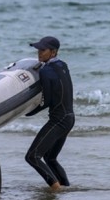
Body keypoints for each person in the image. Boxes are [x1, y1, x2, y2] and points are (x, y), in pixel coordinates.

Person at [25, 36, 75, 191]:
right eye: (38, 50)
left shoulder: (46, 70)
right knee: (50, 158)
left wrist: (30, 112)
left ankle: (56, 189)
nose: (39, 53)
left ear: (53, 52)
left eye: (43, 50)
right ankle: (66, 189)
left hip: (58, 120)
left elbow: (46, 101)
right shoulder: (63, 65)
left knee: (32, 157)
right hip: (69, 118)